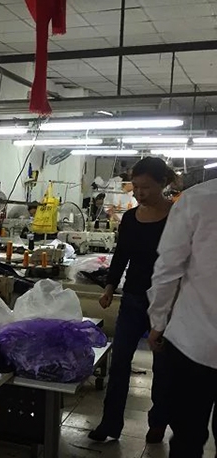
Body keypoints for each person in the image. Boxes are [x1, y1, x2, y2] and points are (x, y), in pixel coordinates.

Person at [148, 179, 217, 458]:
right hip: (193, 343)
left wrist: (157, 322)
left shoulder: (198, 200)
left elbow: (167, 270)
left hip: (194, 344)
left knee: (188, 443)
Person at [88, 157, 175, 443]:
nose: (139, 193)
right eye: (135, 186)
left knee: (162, 366)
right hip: (134, 298)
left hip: (167, 302)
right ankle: (110, 423)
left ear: (163, 183)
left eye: (146, 187)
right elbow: (121, 255)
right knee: (119, 362)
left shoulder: (177, 217)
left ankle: (158, 421)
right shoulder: (130, 218)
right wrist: (109, 287)